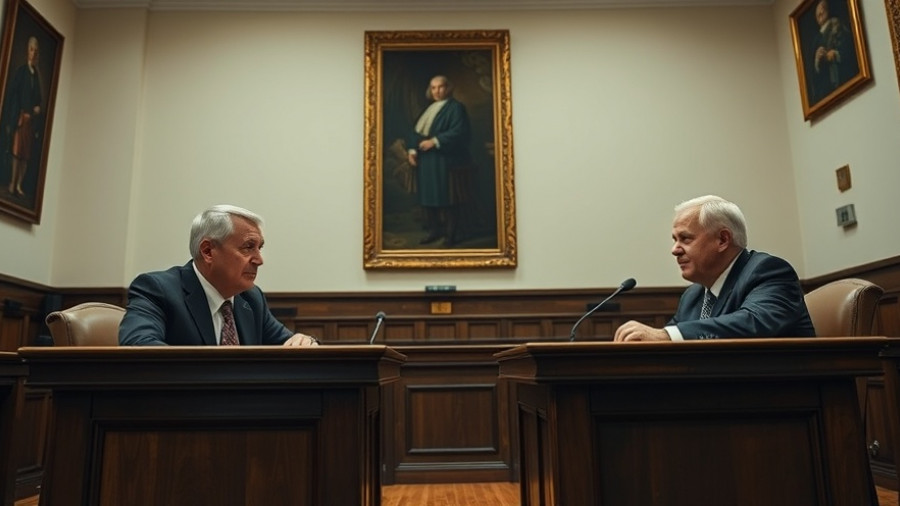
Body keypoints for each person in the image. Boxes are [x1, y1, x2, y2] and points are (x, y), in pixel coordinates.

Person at [614, 195, 815, 342]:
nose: (674, 250)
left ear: (722, 239)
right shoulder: (693, 296)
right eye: (674, 240)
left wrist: (666, 335)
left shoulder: (768, 272)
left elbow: (753, 323)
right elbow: (668, 344)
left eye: (685, 239)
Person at [119, 204, 319, 346]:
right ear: (207, 251)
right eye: (248, 247)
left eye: (260, 248)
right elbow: (139, 345)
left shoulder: (250, 298)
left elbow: (287, 342)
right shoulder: (158, 290)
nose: (259, 260)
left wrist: (304, 341)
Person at [406, 75, 471, 247]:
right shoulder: (430, 108)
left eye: (441, 87)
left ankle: (450, 236)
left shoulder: (456, 108)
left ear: (448, 88)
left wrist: (434, 141)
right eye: (433, 87)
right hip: (426, 161)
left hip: (445, 160)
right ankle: (434, 232)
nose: (437, 91)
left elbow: (459, 132)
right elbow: (415, 133)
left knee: (447, 198)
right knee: (428, 198)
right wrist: (412, 150)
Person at [2, 36, 43, 196]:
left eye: (36, 51)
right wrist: (14, 115)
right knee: (17, 152)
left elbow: (38, 98)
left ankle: (19, 185)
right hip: (20, 118)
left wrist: (38, 107)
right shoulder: (21, 71)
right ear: (28, 50)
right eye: (31, 49)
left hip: (30, 120)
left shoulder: (36, 75)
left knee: (26, 155)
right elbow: (13, 94)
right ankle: (12, 184)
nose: (33, 53)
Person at [809, 0, 856, 103]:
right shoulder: (817, 39)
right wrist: (817, 61)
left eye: (823, 10)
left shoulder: (838, 26)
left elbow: (849, 49)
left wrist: (835, 54)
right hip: (827, 89)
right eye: (818, 13)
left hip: (844, 80)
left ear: (828, 10)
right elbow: (814, 74)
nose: (820, 13)